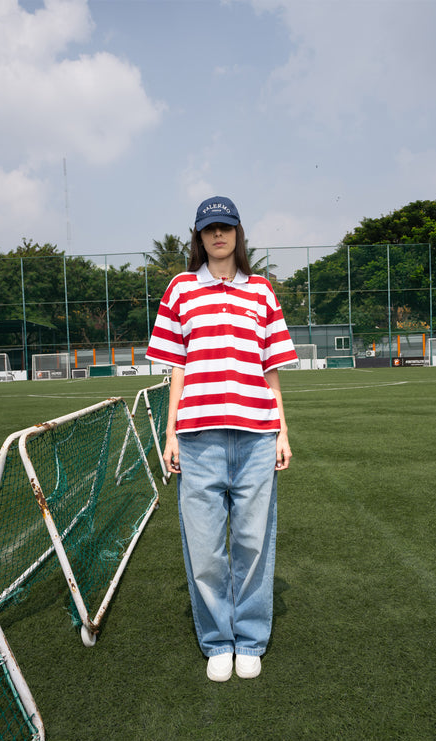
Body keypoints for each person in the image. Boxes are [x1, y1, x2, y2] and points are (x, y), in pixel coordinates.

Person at [146, 196, 297, 681]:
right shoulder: (180, 290)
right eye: (209, 228)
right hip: (197, 441)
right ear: (198, 235)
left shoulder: (262, 293)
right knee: (206, 549)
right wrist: (169, 433)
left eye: (225, 227)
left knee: (253, 543)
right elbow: (178, 369)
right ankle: (218, 641)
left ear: (238, 233)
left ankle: (249, 639)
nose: (218, 236)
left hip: (256, 438)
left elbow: (272, 370)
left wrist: (282, 430)